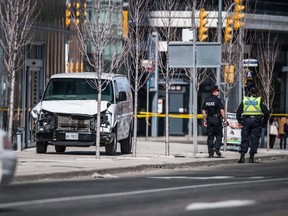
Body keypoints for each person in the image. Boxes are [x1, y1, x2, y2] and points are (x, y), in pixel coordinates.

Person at [236, 87, 269, 163]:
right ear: (257, 93)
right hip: (256, 121)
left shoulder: (245, 100)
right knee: (254, 139)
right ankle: (251, 157)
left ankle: (242, 157)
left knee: (244, 138)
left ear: (250, 92)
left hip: (246, 121)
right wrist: (263, 122)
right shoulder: (259, 100)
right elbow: (266, 112)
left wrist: (239, 120)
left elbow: (239, 111)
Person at [201, 85, 227, 158]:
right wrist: (225, 120)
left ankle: (210, 153)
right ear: (214, 92)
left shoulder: (207, 100)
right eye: (217, 91)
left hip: (209, 119)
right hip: (216, 119)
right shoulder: (218, 100)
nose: (218, 92)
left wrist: (205, 120)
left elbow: (203, 111)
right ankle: (216, 147)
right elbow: (222, 111)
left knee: (210, 137)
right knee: (219, 135)